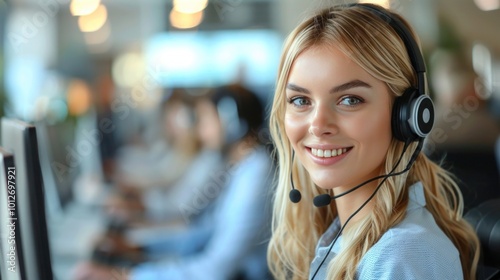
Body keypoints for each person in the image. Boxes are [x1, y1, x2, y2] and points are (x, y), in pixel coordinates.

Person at [267, 3, 480, 280]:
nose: (318, 126)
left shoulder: (400, 256)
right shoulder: (343, 233)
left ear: (407, 116)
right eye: (300, 100)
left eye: (350, 100)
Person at [72, 84, 274, 280]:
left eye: (206, 120)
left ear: (232, 125)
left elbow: (214, 271)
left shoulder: (255, 174)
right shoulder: (241, 167)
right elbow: (204, 233)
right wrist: (141, 248)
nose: (200, 130)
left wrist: (125, 276)